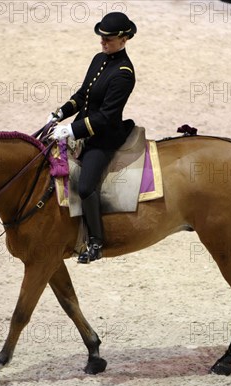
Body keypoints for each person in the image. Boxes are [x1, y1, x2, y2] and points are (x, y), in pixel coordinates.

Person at [48, 12, 137, 263]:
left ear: (123, 39)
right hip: (83, 128)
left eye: (108, 39)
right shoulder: (99, 59)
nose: (102, 42)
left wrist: (72, 130)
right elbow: (83, 95)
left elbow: (106, 117)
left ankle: (96, 242)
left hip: (104, 138)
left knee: (86, 186)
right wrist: (60, 114)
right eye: (101, 37)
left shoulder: (124, 73)